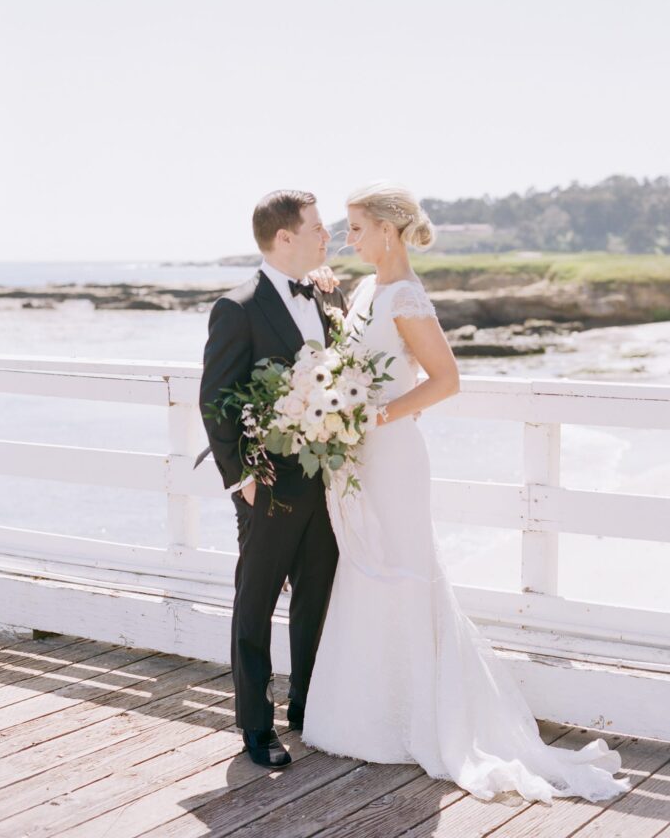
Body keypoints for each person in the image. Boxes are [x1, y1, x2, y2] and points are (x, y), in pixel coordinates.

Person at [301, 182, 632, 805]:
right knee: (365, 570)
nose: (350, 239)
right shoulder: (368, 290)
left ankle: (413, 718)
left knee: (402, 570)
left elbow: (446, 379)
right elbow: (353, 366)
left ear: (390, 231)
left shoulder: (404, 294)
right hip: (360, 457)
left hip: (392, 455)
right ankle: (366, 714)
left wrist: (376, 417)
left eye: (357, 229)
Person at [196, 190, 346, 770]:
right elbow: (215, 400)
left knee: (316, 596)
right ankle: (255, 726)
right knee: (255, 602)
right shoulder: (237, 307)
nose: (326, 238)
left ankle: (307, 707)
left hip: (323, 480)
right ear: (285, 238)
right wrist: (242, 480)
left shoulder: (325, 293)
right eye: (318, 229)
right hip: (269, 483)